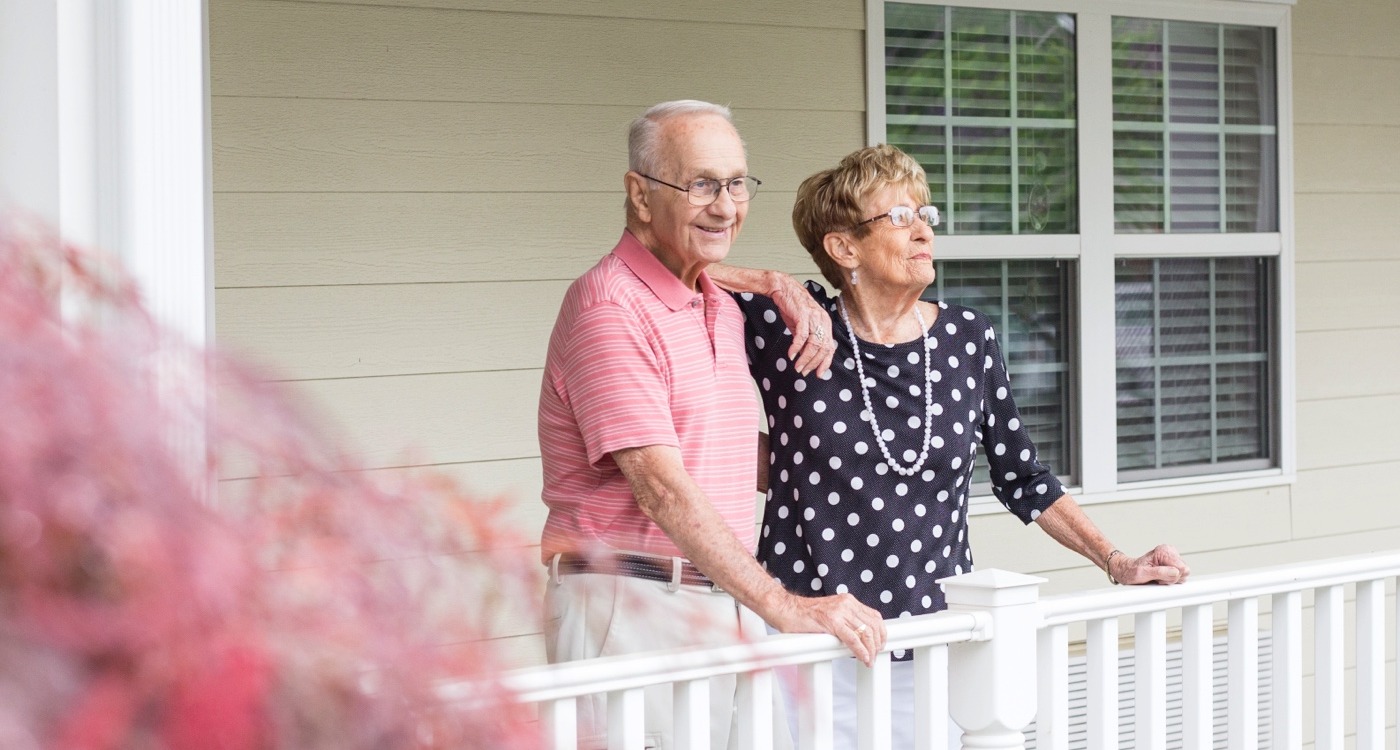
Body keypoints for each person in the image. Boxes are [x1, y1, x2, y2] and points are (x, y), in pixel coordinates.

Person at [715, 144, 1191, 749]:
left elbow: (1022, 475)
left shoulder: (968, 337)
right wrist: (771, 282)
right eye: (898, 216)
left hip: (934, 637)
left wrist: (1116, 561)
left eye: (925, 214)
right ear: (843, 248)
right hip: (806, 638)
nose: (922, 230)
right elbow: (666, 271)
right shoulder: (792, 325)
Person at [536, 100, 886, 750]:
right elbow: (661, 488)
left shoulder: (717, 304)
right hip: (631, 601)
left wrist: (862, 471)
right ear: (639, 195)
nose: (725, 206)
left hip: (721, 595)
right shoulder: (608, 310)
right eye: (700, 184)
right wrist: (783, 602)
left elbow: (719, 451)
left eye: (735, 183)